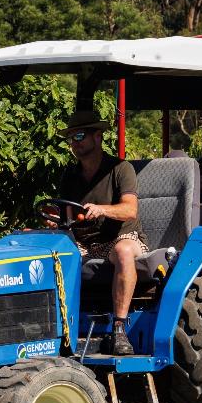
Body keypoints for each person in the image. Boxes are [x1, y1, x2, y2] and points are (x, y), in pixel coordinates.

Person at [48, 110, 149, 356]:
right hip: (83, 242)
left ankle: (119, 329)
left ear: (98, 136)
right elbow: (65, 213)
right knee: (45, 253)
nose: (75, 142)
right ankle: (53, 328)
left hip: (121, 238)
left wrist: (102, 210)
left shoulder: (120, 168)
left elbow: (130, 210)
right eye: (71, 137)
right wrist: (54, 220)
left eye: (80, 135)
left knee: (123, 251)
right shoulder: (70, 175)